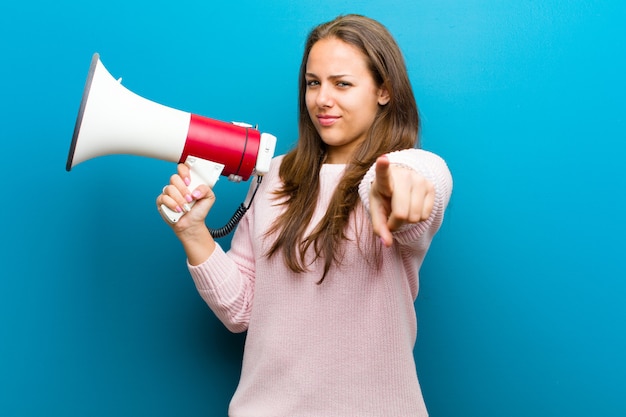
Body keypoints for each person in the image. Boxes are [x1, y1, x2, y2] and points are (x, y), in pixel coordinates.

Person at [157, 14, 452, 417]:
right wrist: (193, 232)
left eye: (342, 83)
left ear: (384, 90)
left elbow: (422, 180)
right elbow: (241, 310)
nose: (321, 100)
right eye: (313, 83)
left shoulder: (405, 168)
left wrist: (402, 184)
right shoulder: (275, 175)